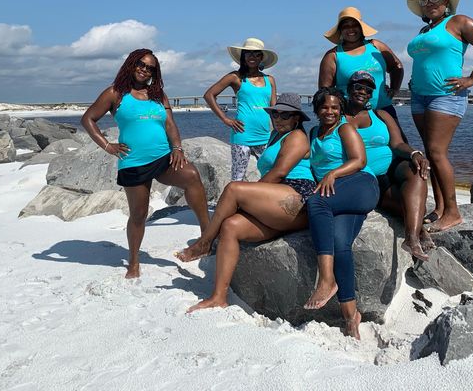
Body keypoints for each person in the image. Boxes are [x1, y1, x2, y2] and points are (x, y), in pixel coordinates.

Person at [175, 93, 314, 312]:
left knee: (234, 189)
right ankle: (219, 297)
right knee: (230, 226)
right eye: (275, 114)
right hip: (275, 202)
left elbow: (279, 172)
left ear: (296, 118)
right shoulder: (275, 135)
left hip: (297, 196)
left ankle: (204, 243)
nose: (279, 119)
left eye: (285, 115)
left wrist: (246, 200)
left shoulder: (296, 136)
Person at [81, 48, 210, 279]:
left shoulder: (158, 94)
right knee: (139, 214)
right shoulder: (115, 93)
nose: (144, 70)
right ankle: (133, 261)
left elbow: (170, 124)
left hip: (163, 158)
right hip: (134, 163)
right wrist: (108, 146)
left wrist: (177, 147)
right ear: (131, 64)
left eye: (150, 68)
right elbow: (88, 119)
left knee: (191, 175)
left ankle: (206, 239)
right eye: (141, 64)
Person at [407, 0, 473, 232]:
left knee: (437, 152)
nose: (430, 4)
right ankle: (439, 208)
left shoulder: (458, 22)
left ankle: (453, 212)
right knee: (431, 152)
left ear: (446, 2)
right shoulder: (425, 30)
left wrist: (472, 79)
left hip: (446, 95)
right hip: (419, 96)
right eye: (425, 1)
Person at [305, 87, 379, 340]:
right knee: (339, 242)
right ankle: (351, 317)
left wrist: (332, 173)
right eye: (325, 107)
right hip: (338, 194)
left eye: (335, 107)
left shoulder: (344, 129)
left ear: (341, 110)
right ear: (317, 109)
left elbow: (359, 160)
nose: (330, 111)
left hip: (360, 184)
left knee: (316, 203)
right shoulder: (313, 133)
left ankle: (326, 280)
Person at [343, 71, 433, 261]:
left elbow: (397, 143)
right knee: (415, 209)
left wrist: (415, 153)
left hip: (392, 167)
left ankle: (411, 239)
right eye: (358, 87)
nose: (363, 92)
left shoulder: (381, 114)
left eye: (368, 90)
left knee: (417, 170)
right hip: (367, 178)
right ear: (349, 89)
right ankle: (419, 229)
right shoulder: (337, 117)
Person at [204, 38, 277, 180]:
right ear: (243, 56)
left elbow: (274, 109)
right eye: (248, 53)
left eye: (256, 54)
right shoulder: (235, 77)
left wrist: (278, 134)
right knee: (238, 177)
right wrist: (225, 119)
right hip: (242, 134)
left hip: (265, 135)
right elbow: (209, 95)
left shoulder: (270, 79)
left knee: (271, 174)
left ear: (261, 57)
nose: (252, 57)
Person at [318, 7, 404, 121]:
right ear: (340, 30)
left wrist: (394, 88)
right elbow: (325, 92)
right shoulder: (333, 55)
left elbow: (396, 67)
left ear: (361, 27)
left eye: (355, 25)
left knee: (397, 134)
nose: (351, 29)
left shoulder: (376, 46)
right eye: (346, 26)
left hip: (384, 110)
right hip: (350, 115)